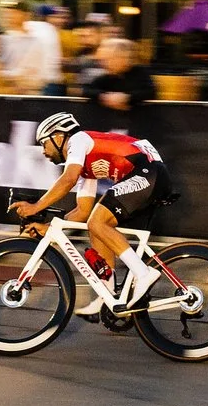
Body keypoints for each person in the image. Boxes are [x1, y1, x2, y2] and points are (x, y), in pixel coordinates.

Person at [11, 111, 171, 310]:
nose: (43, 151)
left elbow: (67, 180)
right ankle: (108, 294)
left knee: (98, 221)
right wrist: (49, 229)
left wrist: (36, 206)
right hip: (150, 173)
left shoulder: (78, 140)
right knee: (95, 223)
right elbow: (82, 211)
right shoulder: (86, 165)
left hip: (148, 172)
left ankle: (144, 273)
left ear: (59, 136)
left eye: (44, 143)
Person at [82, 36, 155, 119]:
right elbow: (86, 90)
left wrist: (126, 98)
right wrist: (105, 96)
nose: (103, 64)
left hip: (141, 121)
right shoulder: (107, 76)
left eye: (107, 60)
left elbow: (150, 92)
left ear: (122, 58)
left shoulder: (140, 72)